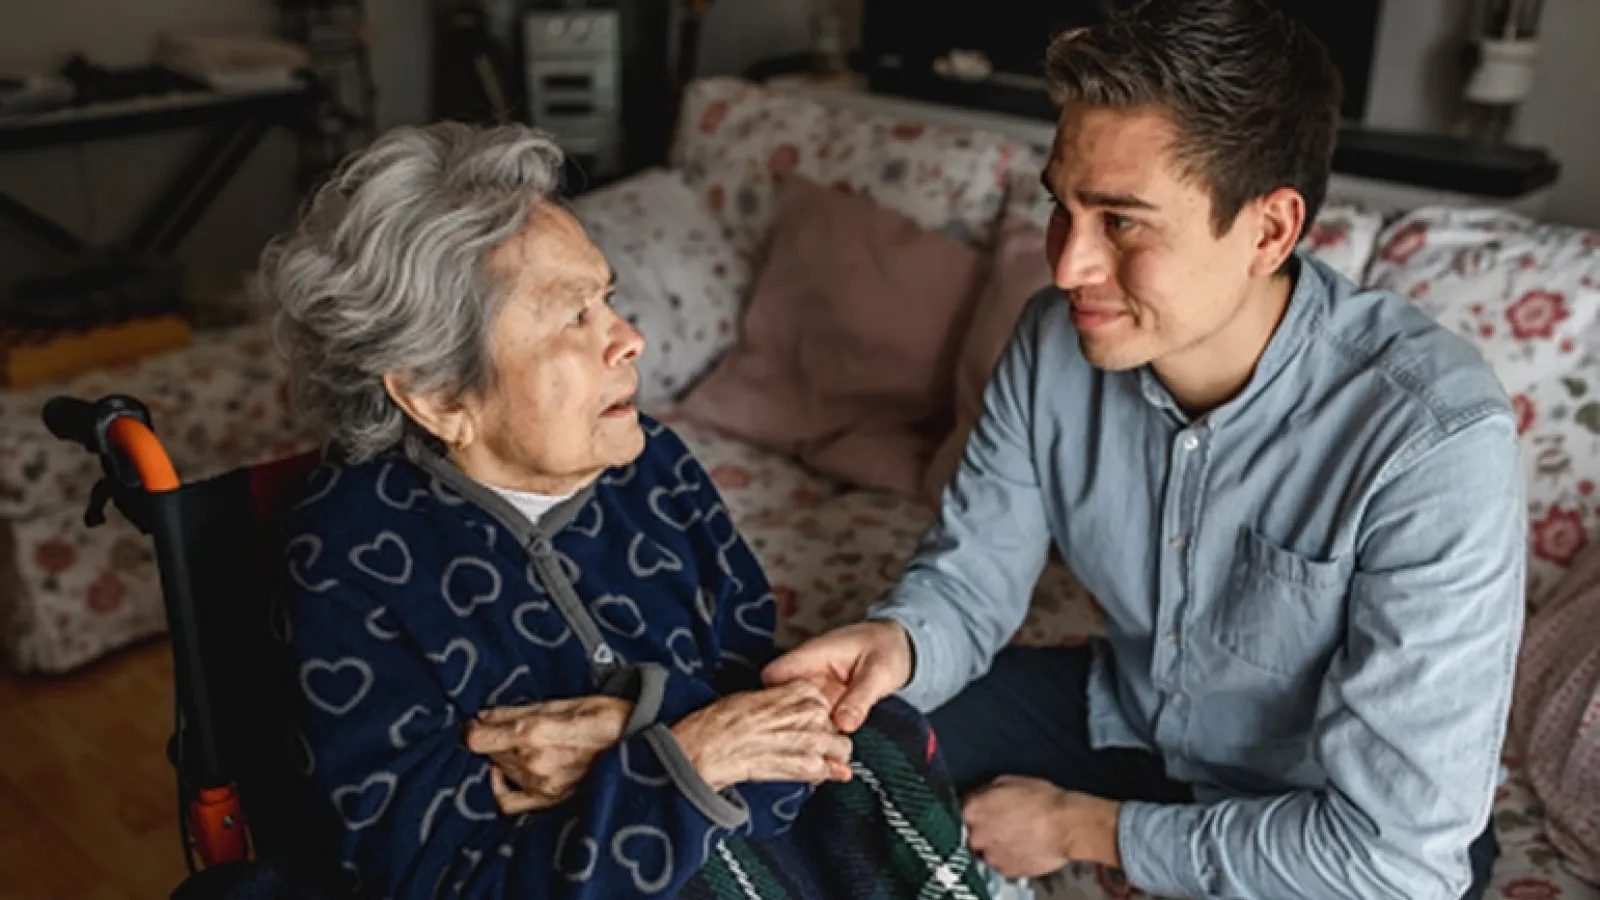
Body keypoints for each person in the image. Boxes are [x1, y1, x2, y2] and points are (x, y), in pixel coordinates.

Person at [764, 2, 1525, 899]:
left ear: (1270, 231)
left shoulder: (1433, 439)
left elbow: (1396, 858)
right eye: (1063, 207)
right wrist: (902, 644)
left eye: (1121, 222)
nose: (1067, 266)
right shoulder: (1055, 340)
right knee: (826, 767)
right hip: (1122, 718)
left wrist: (1079, 827)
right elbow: (969, 584)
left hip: (1315, 793)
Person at [265, 122, 986, 899]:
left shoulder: (657, 470)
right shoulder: (347, 559)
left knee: (881, 735)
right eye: (574, 317)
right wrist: (684, 761)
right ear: (440, 396)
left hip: (746, 851)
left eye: (608, 300)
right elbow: (436, 879)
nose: (630, 340)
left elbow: (777, 731)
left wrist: (634, 731)